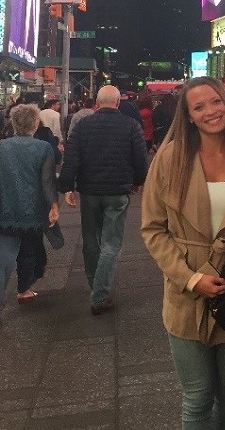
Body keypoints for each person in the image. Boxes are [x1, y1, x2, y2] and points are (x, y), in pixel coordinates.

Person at [141, 77, 225, 429]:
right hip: (184, 294)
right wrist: (190, 279)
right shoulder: (170, 158)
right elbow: (153, 228)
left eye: (216, 101)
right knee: (197, 395)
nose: (211, 111)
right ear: (189, 116)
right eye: (199, 106)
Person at [57, 85, 148, 315]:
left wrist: (67, 186)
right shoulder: (131, 126)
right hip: (118, 191)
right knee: (112, 242)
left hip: (89, 191)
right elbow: (141, 160)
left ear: (97, 103)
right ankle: (99, 294)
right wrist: (138, 181)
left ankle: (95, 284)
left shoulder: (83, 126)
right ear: (118, 103)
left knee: (90, 240)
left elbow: (71, 158)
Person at [0, 104, 58, 310]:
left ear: (13, 124)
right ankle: (24, 289)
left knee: (4, 255)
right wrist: (53, 205)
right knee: (29, 250)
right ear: (35, 124)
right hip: (32, 209)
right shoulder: (43, 148)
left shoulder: (2, 147)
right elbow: (47, 181)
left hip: (5, 208)